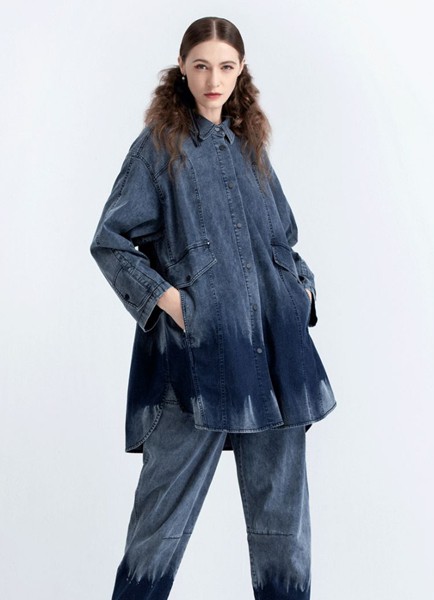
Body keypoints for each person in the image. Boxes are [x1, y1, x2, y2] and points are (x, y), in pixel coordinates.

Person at [90, 15, 337, 600]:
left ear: (240, 69)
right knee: (158, 531)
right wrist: (175, 305)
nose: (213, 80)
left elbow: (284, 241)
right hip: (193, 365)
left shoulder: (251, 146)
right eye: (201, 66)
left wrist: (301, 294)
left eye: (226, 67)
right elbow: (110, 241)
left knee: (285, 536)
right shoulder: (158, 150)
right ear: (182, 67)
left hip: (276, 366)